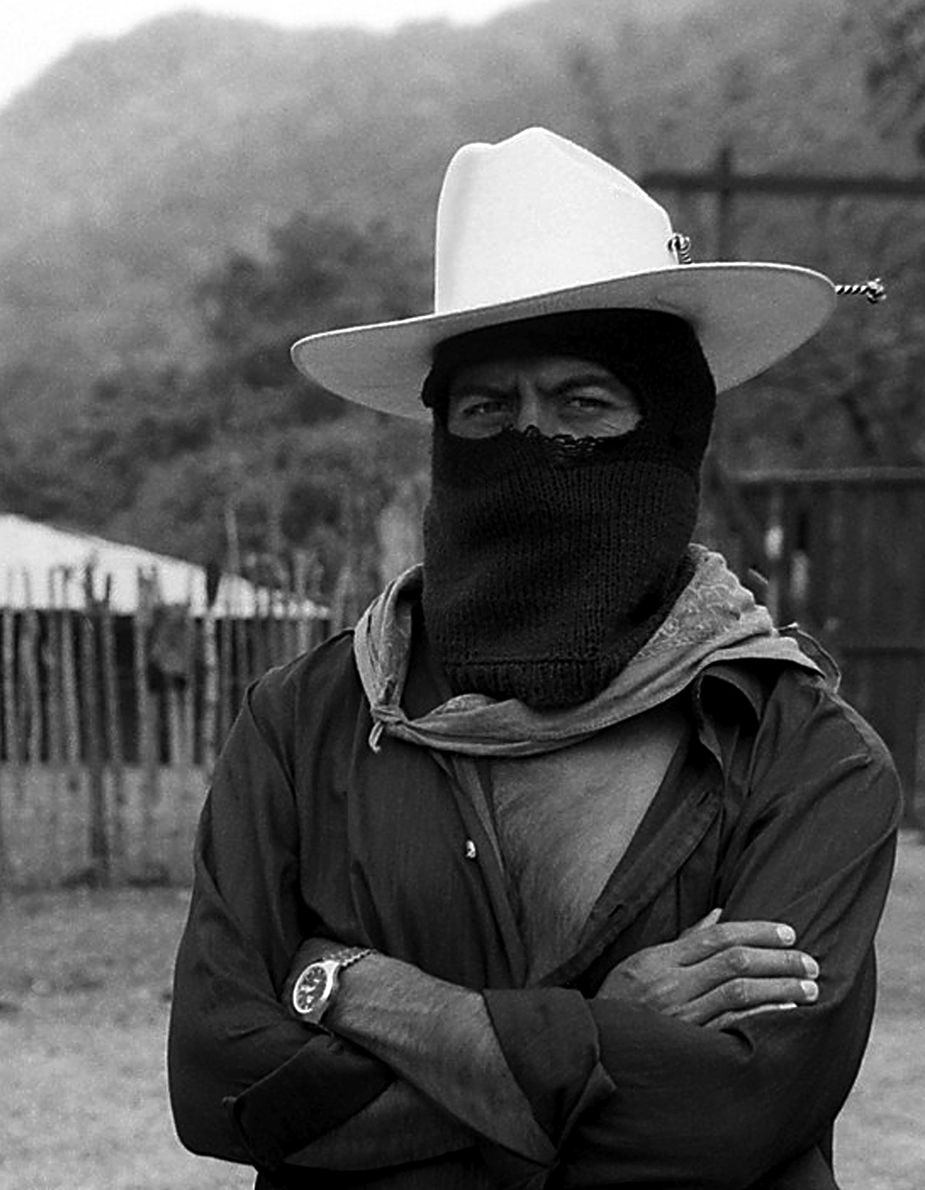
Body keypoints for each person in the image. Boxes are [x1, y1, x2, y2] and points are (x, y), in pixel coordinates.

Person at [165, 126, 902, 1189]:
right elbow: (217, 1081)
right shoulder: (303, 721)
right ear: (439, 440)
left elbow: (725, 1114)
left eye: (582, 402)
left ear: (671, 434)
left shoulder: (803, 754)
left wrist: (354, 986)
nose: (527, 441)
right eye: (484, 409)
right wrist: (600, 1038)